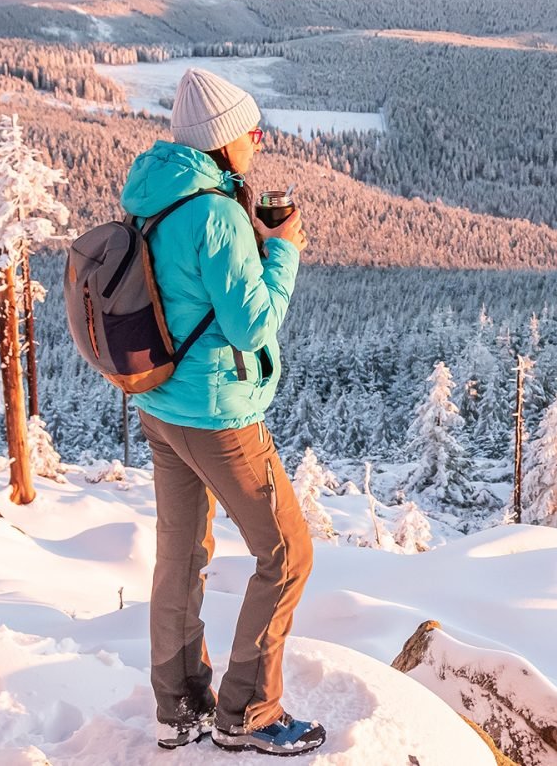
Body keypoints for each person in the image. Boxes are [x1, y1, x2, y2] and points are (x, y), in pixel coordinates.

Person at [119, 67, 323, 756]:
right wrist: (285, 249)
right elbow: (252, 327)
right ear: (223, 140)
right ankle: (249, 712)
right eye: (251, 132)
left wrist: (251, 243)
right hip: (218, 417)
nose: (258, 142)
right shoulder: (213, 214)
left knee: (179, 557)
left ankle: (178, 707)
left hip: (161, 407)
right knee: (288, 554)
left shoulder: (156, 192)